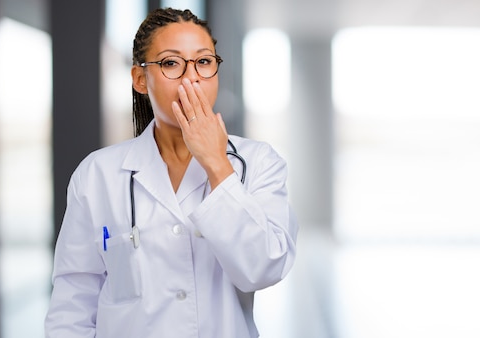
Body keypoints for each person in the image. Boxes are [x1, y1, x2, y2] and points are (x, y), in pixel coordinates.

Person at [44, 7, 298, 338]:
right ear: (139, 79)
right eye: (171, 63)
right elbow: (73, 304)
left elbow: (264, 267)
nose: (191, 77)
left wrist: (216, 163)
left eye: (204, 62)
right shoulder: (97, 175)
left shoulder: (259, 162)